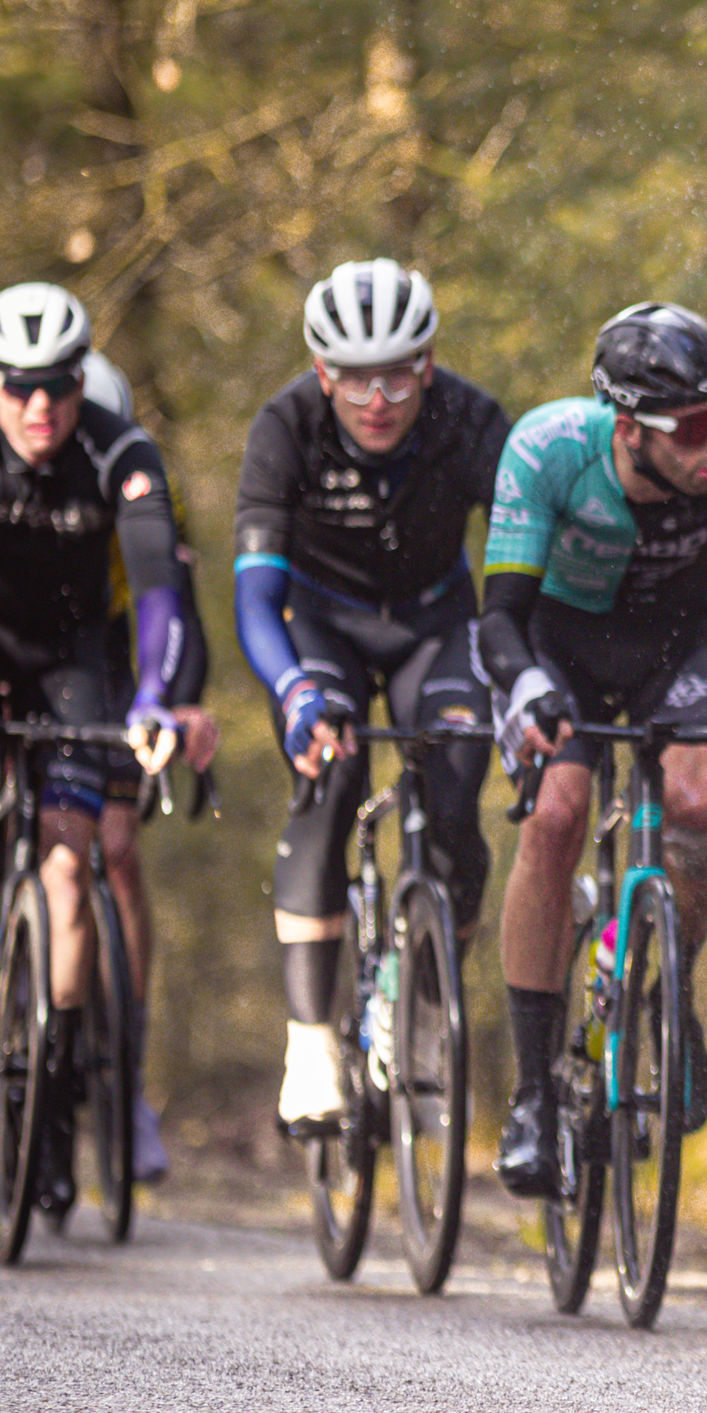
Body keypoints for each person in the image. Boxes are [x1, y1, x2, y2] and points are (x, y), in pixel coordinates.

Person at [479, 304, 707, 1197]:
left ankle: (661, 987)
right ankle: (533, 1095)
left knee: (698, 805)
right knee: (558, 813)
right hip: (557, 649)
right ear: (629, 428)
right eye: (691, 426)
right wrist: (524, 689)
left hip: (675, 643)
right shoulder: (548, 449)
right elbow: (499, 616)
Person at [233, 260, 508, 1132]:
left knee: (458, 796)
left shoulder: (471, 421)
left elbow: (519, 560)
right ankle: (310, 1042)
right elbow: (253, 595)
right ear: (323, 373)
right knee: (329, 778)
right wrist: (296, 692)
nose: (379, 398)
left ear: (428, 365)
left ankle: (426, 1002)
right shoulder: (286, 426)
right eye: (355, 378)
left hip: (435, 619)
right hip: (324, 626)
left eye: (398, 373)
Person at [0, 284, 192, 1220]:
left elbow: (158, 594)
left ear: (84, 384)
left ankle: (57, 1074)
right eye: (19, 387)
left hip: (81, 661)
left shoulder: (121, 452)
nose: (41, 408)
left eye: (59, 387)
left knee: (75, 867)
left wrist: (156, 696)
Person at [84, 348, 220, 1183]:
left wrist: (177, 704)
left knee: (118, 849)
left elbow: (180, 633)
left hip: (115, 677)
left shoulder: (138, 493)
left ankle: (125, 1078)